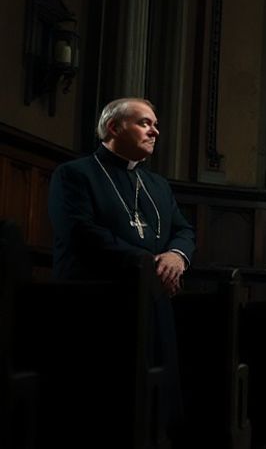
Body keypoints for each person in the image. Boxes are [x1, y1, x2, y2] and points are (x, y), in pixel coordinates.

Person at [48, 97, 195, 435]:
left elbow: (183, 230)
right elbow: (80, 232)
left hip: (152, 305)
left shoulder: (157, 184)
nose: (155, 130)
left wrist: (176, 257)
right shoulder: (74, 174)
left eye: (155, 124)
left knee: (155, 407)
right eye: (145, 122)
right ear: (113, 127)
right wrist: (148, 262)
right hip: (96, 307)